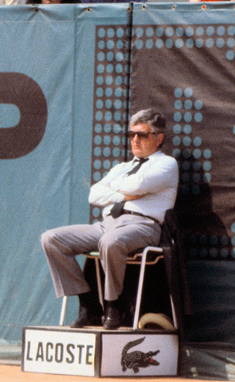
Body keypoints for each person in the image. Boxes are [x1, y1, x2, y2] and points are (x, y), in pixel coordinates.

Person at [41, 109, 177, 330]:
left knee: (110, 242)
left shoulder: (167, 164)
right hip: (107, 224)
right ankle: (88, 305)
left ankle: (113, 305)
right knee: (52, 239)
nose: (135, 140)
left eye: (142, 135)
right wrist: (123, 195)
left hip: (142, 225)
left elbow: (137, 185)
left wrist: (116, 188)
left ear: (158, 138)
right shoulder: (122, 168)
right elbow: (94, 195)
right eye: (131, 135)